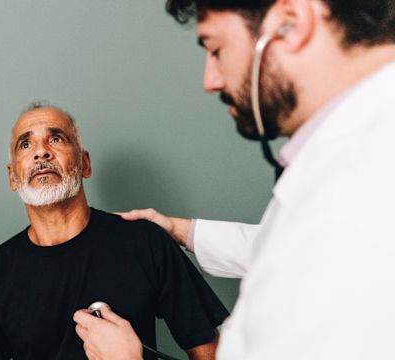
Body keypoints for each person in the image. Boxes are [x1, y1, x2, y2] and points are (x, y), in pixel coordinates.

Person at [73, 0, 395, 359]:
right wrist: (180, 230)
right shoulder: (353, 163)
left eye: (216, 49)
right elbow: (289, 248)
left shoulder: (362, 195)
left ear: (291, 22)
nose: (210, 81)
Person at [0, 102, 230, 359]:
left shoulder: (145, 241)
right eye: (26, 145)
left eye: (56, 139)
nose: (41, 152)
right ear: (13, 177)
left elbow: (210, 353)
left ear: (85, 163)